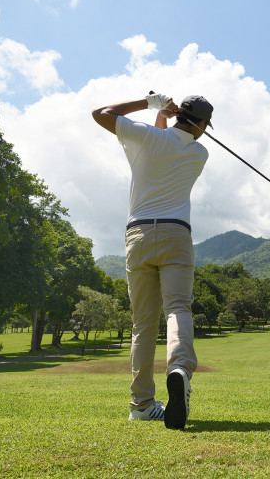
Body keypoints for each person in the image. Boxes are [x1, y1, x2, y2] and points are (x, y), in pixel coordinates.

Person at [91, 92, 213, 429]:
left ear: (177, 115)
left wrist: (151, 104)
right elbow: (168, 138)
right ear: (201, 125)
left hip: (139, 235)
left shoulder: (147, 136)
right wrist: (162, 114)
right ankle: (180, 368)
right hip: (175, 235)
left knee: (143, 324)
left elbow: (101, 112)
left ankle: (141, 405)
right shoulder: (199, 153)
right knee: (177, 308)